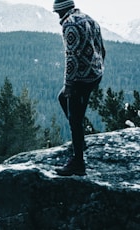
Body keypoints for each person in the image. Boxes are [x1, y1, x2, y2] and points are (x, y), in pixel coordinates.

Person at [53, 0, 106, 176]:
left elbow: (72, 58)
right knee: (63, 99)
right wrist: (98, 67)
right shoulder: (89, 19)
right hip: (95, 74)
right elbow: (102, 48)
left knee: (74, 116)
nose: (57, 16)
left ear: (62, 10)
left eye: (57, 12)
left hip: (81, 78)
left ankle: (78, 163)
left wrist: (69, 85)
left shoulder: (69, 25)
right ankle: (80, 143)